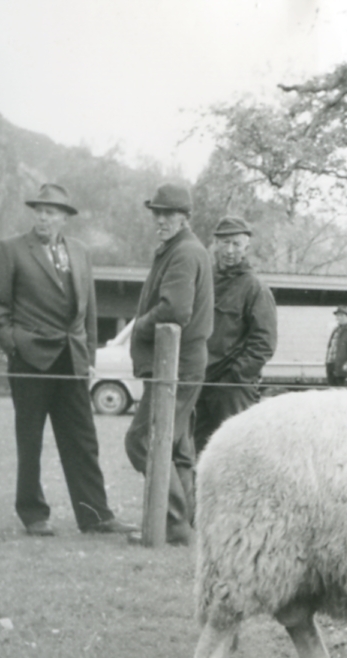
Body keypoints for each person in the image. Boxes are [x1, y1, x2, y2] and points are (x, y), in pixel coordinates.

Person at [0, 183, 137, 537]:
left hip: (72, 363)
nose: (43, 216)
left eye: (51, 211)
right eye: (38, 210)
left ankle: (96, 516)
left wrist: (89, 356)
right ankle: (33, 514)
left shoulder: (81, 252)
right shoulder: (11, 250)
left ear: (65, 218)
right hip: (29, 363)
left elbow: (89, 312)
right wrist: (16, 347)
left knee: (83, 441)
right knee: (30, 441)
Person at [124, 183, 214, 546]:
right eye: (156, 213)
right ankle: (187, 524)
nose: (159, 219)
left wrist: (139, 326)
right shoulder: (181, 250)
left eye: (167, 214)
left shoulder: (184, 253)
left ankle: (175, 523)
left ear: (184, 217)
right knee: (175, 447)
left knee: (143, 440)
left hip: (174, 365)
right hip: (179, 364)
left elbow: (174, 311)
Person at [193, 216, 278, 454]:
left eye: (236, 244)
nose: (229, 250)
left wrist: (235, 376)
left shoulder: (255, 287)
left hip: (233, 389)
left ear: (246, 248)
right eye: (224, 243)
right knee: (198, 453)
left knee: (235, 454)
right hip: (200, 382)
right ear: (215, 244)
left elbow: (264, 342)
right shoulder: (204, 281)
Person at [324, 306, 347, 387]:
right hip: (332, 367)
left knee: (345, 396)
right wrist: (327, 362)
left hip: (344, 371)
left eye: (342, 315)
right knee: (333, 395)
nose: (339, 318)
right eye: (337, 315)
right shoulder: (335, 331)